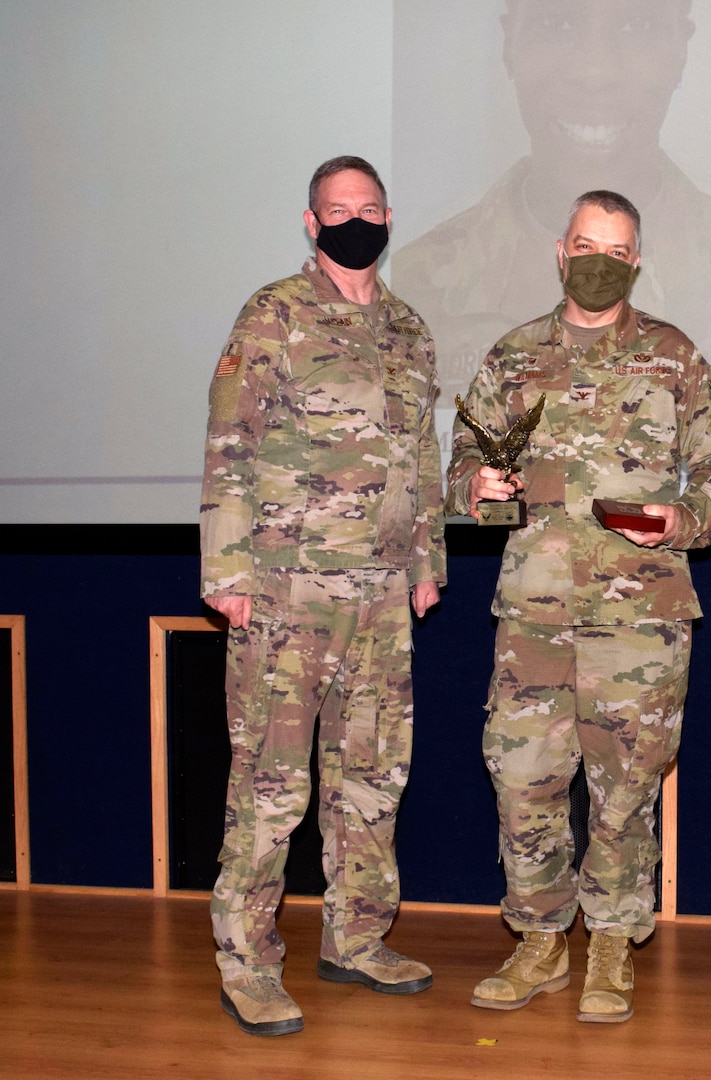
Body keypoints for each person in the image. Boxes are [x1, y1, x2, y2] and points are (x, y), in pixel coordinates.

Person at [447, 190, 711, 1023]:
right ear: (559, 248)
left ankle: (611, 948)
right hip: (534, 614)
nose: (598, 260)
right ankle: (539, 941)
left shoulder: (672, 355)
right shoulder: (512, 356)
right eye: (585, 243)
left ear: (636, 260)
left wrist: (682, 521)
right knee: (522, 778)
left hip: (640, 617)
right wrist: (476, 486)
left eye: (615, 249)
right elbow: (464, 467)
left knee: (624, 790)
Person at [199, 156, 446, 1037]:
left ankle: (355, 938)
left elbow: (419, 459)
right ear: (311, 224)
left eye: (369, 207)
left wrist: (427, 563)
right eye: (337, 210)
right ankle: (248, 963)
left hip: (382, 594)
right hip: (285, 591)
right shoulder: (272, 315)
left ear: (389, 216)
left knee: (371, 778)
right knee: (271, 786)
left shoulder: (411, 330)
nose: (354, 221)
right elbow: (231, 442)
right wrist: (226, 576)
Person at [392, 0, 711, 408]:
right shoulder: (411, 292)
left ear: (680, 52)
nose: (595, 72)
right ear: (510, 46)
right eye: (557, 24)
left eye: (638, 28)